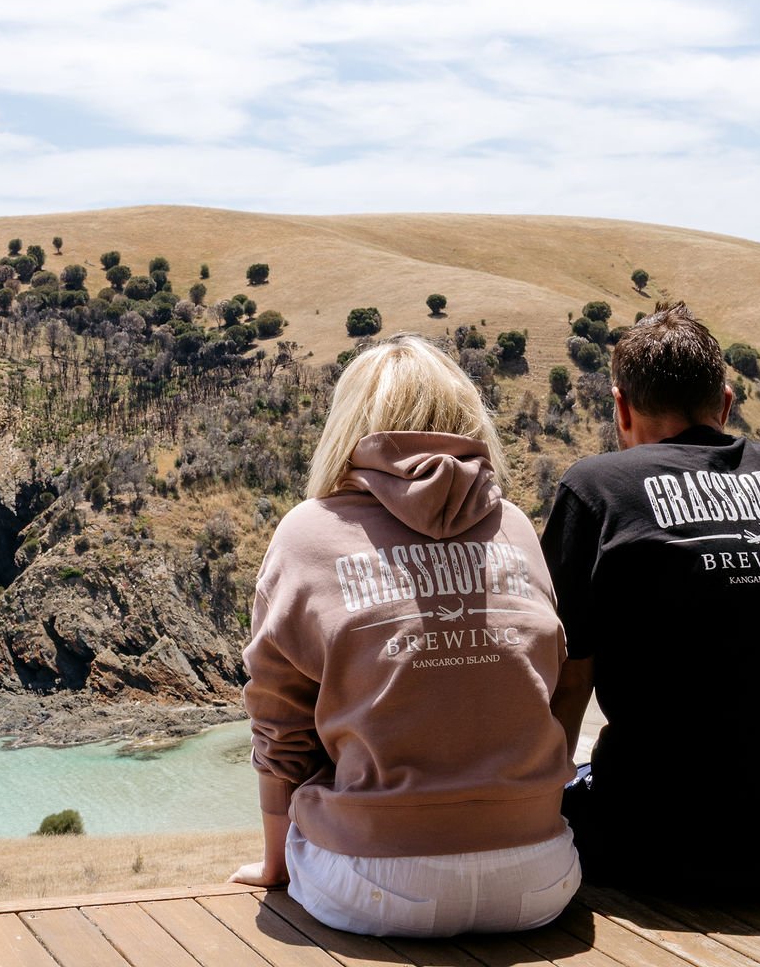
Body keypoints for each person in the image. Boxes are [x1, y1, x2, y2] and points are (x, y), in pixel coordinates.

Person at [231, 333, 581, 936]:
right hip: (540, 876)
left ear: (348, 423)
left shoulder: (307, 532)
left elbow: (279, 719)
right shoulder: (515, 527)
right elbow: (543, 677)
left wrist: (274, 864)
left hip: (374, 886)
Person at [542, 302, 760, 899]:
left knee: (566, 787)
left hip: (658, 847)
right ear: (726, 402)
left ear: (620, 407)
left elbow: (566, 680)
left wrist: (525, 817)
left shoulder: (596, 488)